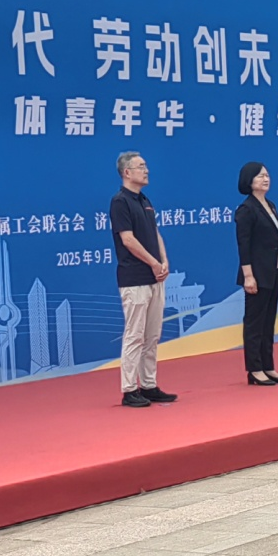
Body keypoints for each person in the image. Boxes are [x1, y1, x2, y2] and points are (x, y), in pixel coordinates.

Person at [110, 152, 177, 407]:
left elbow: (155, 233)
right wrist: (153, 262)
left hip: (155, 277)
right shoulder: (120, 202)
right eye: (141, 166)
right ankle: (129, 389)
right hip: (135, 278)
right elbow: (128, 240)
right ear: (127, 172)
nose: (146, 170)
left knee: (152, 335)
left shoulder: (145, 200)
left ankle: (149, 385)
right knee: (135, 335)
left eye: (146, 166)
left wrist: (164, 260)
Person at [234, 162, 278, 386]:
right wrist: (248, 275)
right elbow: (244, 246)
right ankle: (255, 369)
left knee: (268, 322)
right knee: (254, 323)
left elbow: (276, 242)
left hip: (272, 272)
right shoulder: (246, 209)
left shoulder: (270, 205)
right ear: (249, 181)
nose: (265, 179)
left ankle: (268, 365)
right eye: (260, 176)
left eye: (267, 175)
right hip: (256, 274)